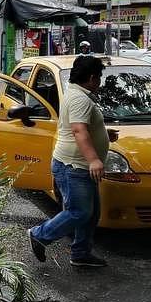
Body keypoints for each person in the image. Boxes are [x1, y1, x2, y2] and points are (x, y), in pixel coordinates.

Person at [26, 55, 119, 268]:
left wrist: (103, 133)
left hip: (78, 166)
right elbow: (78, 130)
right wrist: (94, 160)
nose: (100, 82)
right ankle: (40, 234)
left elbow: (80, 127)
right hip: (74, 167)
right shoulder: (79, 98)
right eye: (99, 78)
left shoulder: (76, 93)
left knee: (91, 213)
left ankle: (81, 253)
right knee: (80, 212)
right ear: (93, 77)